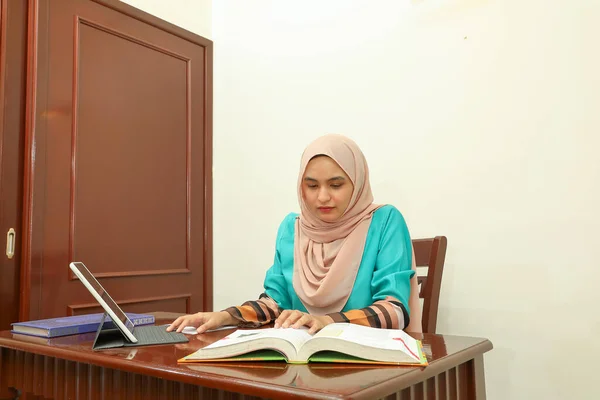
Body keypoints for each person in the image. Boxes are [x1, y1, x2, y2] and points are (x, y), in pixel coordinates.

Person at [167, 134, 415, 335]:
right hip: (302, 363)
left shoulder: (385, 221)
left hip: (372, 366)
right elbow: (275, 303)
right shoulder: (292, 229)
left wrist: (327, 321)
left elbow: (394, 310)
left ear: (358, 183)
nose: (323, 197)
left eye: (336, 185)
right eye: (312, 185)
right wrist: (224, 316)